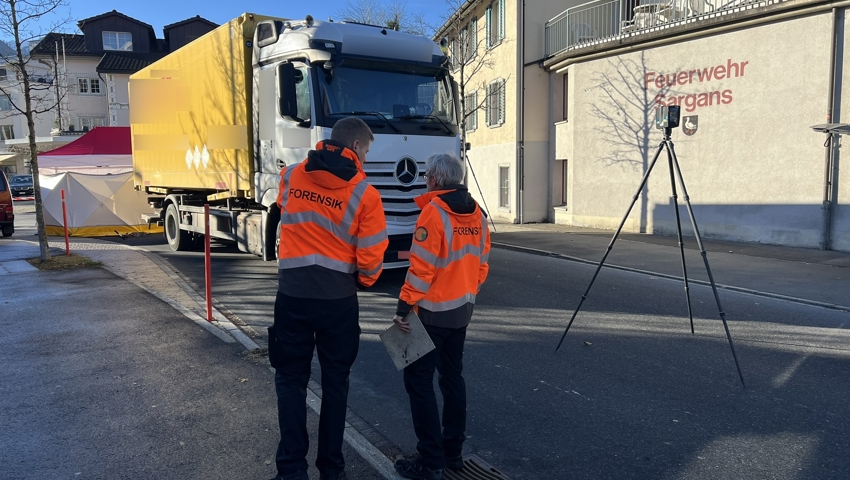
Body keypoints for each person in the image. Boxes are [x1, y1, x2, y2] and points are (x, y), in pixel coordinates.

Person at [269, 116, 388, 480]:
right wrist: (366, 281)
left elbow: (282, 210)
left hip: (292, 296)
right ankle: (332, 470)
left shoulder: (291, 176)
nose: (365, 160)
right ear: (354, 148)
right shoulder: (365, 194)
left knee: (291, 380)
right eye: (366, 152)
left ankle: (291, 470)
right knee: (336, 383)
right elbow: (370, 254)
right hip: (337, 301)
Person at [391, 153, 491, 480]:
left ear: (434, 178)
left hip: (430, 315)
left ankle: (430, 460)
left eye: (425, 176)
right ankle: (453, 454)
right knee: (452, 379)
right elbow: (481, 265)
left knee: (418, 383)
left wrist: (404, 307)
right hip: (460, 313)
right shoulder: (478, 215)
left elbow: (420, 270)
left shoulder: (433, 214)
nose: (424, 180)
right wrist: (464, 294)